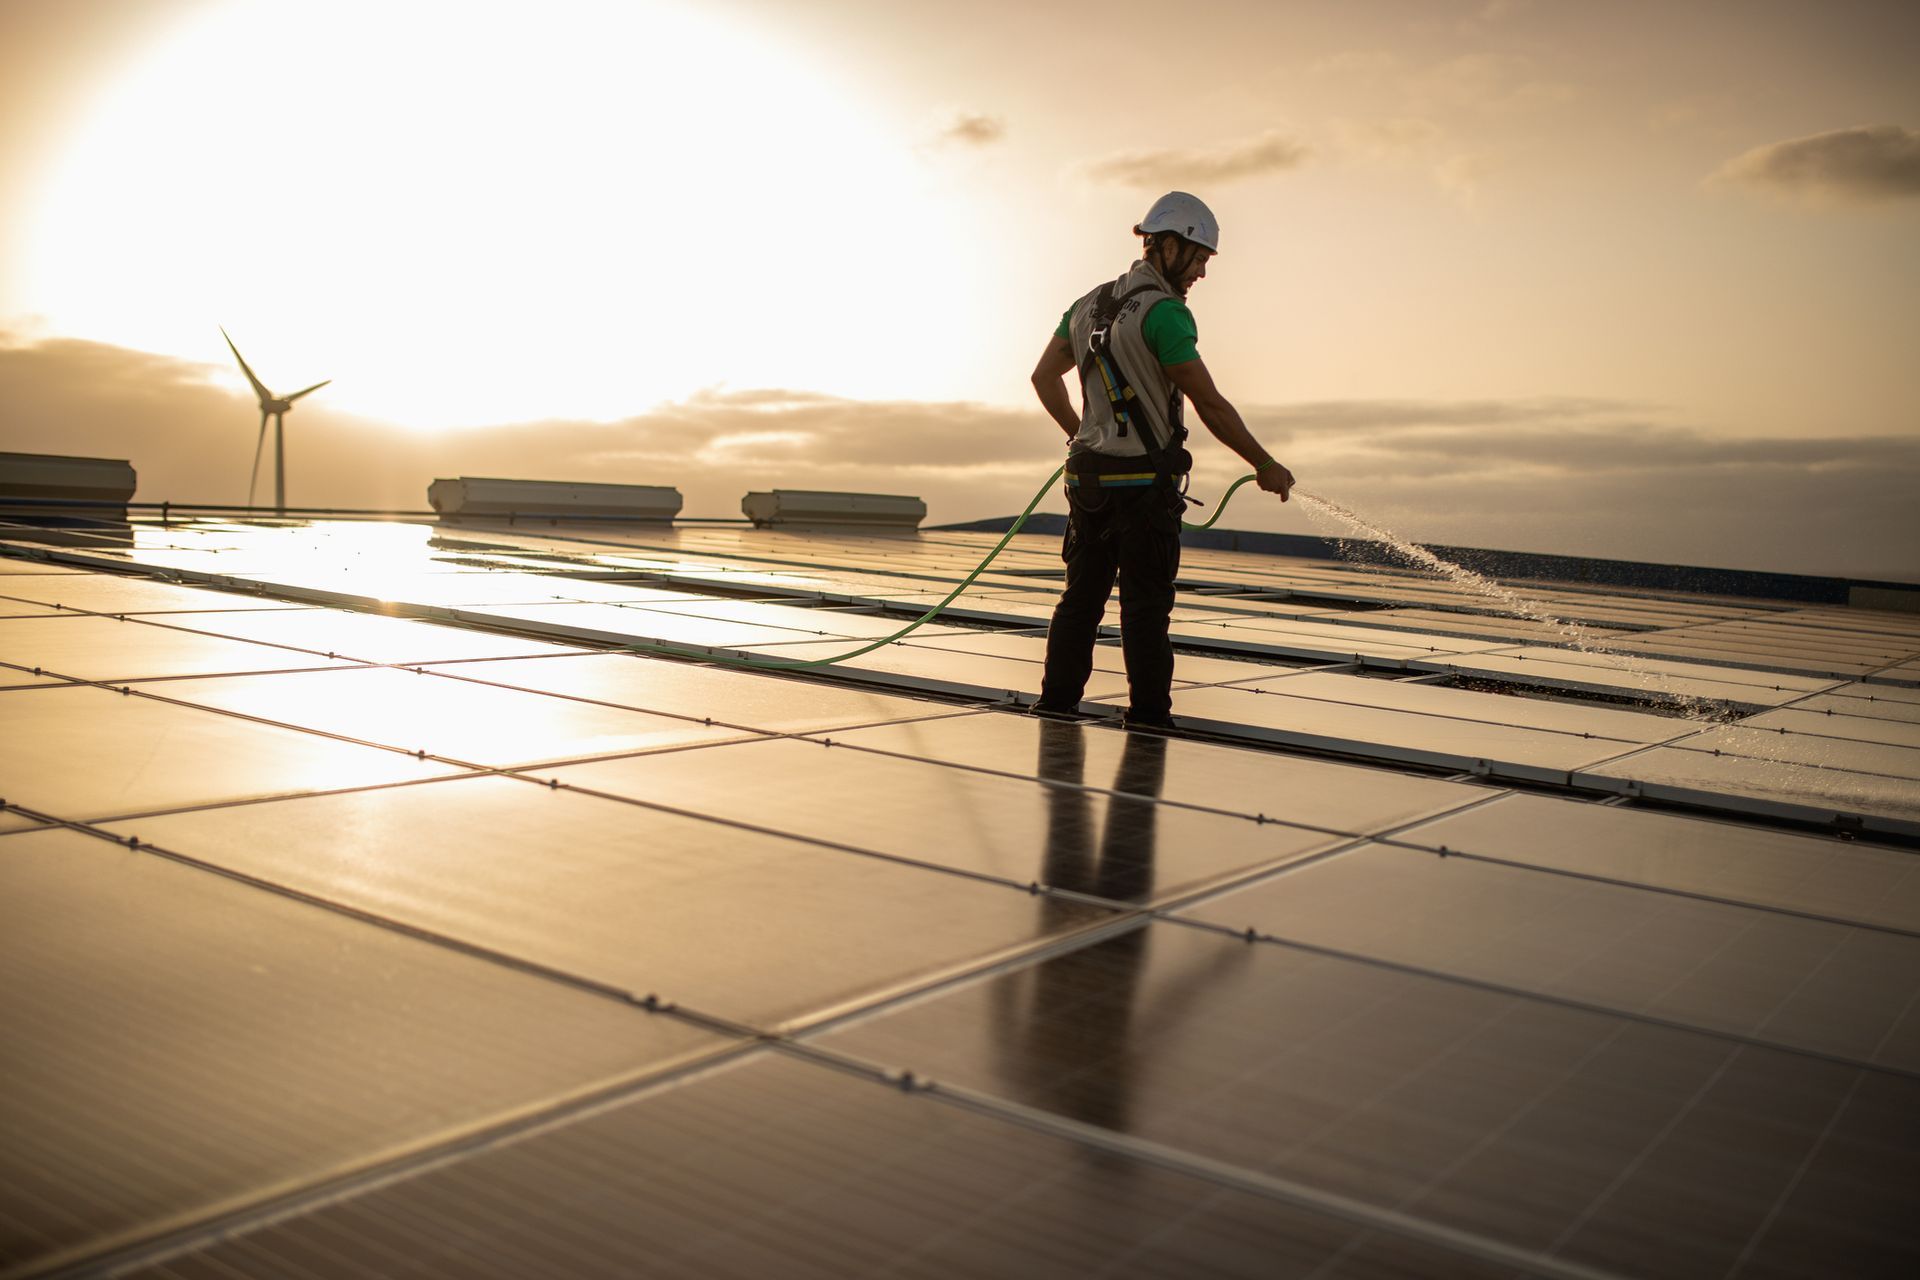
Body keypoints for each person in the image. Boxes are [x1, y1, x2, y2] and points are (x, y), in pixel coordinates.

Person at [1028, 191, 1294, 730]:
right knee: (1146, 610)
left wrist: (1080, 434)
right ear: (1167, 246)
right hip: (1143, 490)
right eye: (1198, 258)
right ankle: (1148, 721)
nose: (1201, 272)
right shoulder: (1165, 314)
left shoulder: (1087, 305)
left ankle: (1055, 707)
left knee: (1080, 601)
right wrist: (1264, 463)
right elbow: (1210, 404)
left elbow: (1043, 377)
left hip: (1088, 485)